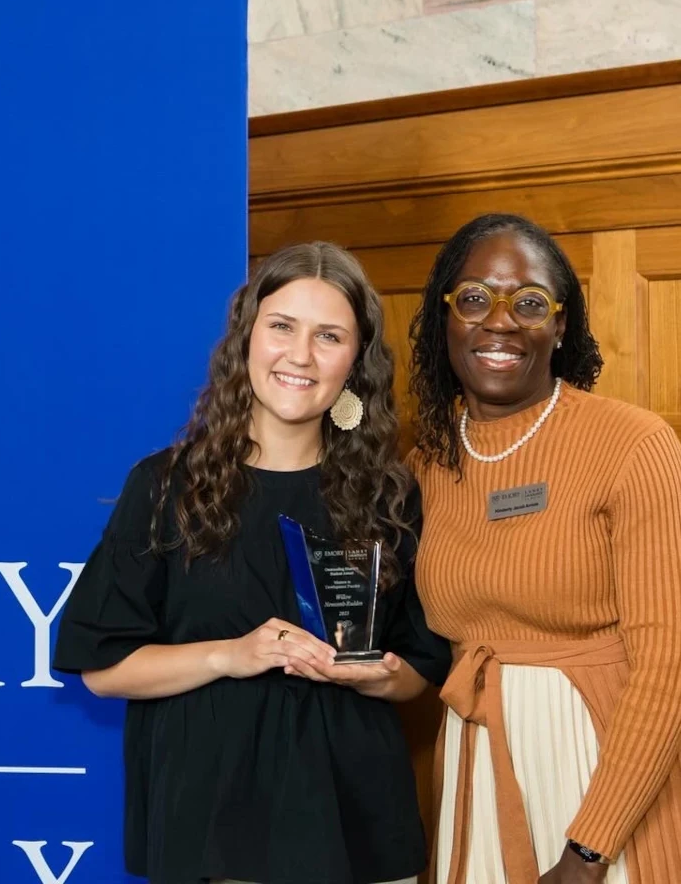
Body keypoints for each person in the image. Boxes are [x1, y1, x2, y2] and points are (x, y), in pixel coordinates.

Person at [53, 242, 452, 884]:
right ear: (247, 338)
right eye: (282, 327)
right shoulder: (163, 486)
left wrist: (370, 675)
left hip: (358, 827)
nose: (300, 355)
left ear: (356, 363)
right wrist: (231, 655)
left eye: (329, 336)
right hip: (212, 826)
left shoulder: (392, 495)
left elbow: (421, 673)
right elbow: (103, 670)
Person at [406, 213, 681, 884]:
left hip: (603, 782)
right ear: (445, 318)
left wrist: (589, 851)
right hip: (476, 769)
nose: (499, 322)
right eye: (474, 298)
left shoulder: (634, 445)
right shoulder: (425, 465)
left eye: (529, 302)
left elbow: (668, 665)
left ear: (561, 325)